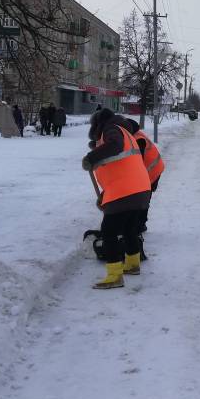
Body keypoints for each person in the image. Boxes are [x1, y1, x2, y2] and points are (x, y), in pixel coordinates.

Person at [82, 110, 152, 289]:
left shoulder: (111, 129)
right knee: (128, 228)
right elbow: (121, 169)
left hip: (127, 191)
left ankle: (114, 276)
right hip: (140, 189)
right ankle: (133, 264)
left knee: (109, 231)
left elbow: (115, 146)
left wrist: (92, 158)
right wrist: (106, 196)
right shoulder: (126, 132)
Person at [123, 116, 165, 257]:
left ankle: (139, 225)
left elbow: (137, 162)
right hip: (152, 169)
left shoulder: (138, 139)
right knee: (142, 198)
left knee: (142, 198)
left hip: (151, 172)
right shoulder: (134, 135)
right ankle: (139, 223)